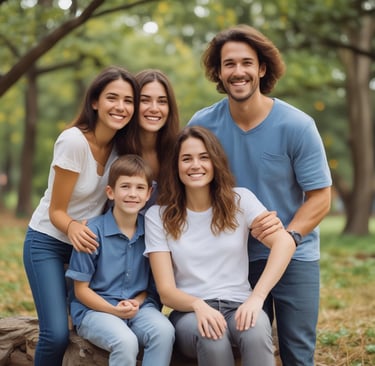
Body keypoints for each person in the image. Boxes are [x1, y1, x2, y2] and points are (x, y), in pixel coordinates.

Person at [188, 24, 332, 365]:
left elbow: (320, 197)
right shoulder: (203, 125)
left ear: (262, 68)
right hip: (231, 258)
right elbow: (185, 185)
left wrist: (291, 235)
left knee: (297, 353)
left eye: (246, 63)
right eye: (229, 64)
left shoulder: (297, 125)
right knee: (238, 348)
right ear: (219, 73)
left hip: (295, 255)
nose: (238, 72)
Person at [144, 126, 296, 366]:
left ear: (215, 162)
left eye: (204, 157)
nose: (196, 165)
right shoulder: (157, 216)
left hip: (240, 305)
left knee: (256, 331)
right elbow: (166, 291)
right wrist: (198, 305)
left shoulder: (240, 200)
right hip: (189, 314)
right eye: (186, 159)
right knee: (212, 335)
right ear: (175, 166)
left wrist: (257, 298)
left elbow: (285, 243)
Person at [23, 66, 139, 366]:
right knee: (56, 333)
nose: (121, 107)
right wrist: (73, 227)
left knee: (86, 327)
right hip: (48, 242)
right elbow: (56, 211)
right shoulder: (73, 142)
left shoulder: (121, 149)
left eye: (128, 101)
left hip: (87, 250)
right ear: (95, 102)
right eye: (112, 98)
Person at [65, 154, 175, 366]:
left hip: (139, 308)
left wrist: (136, 303)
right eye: (125, 186)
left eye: (140, 188)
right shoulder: (91, 232)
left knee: (164, 331)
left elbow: (150, 287)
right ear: (111, 192)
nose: (132, 194)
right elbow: (81, 291)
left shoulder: (152, 231)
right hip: (94, 310)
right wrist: (114, 310)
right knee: (125, 341)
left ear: (149, 193)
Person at [118, 68, 180, 206]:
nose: (154, 108)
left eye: (162, 102)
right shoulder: (115, 150)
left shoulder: (179, 153)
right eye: (145, 100)